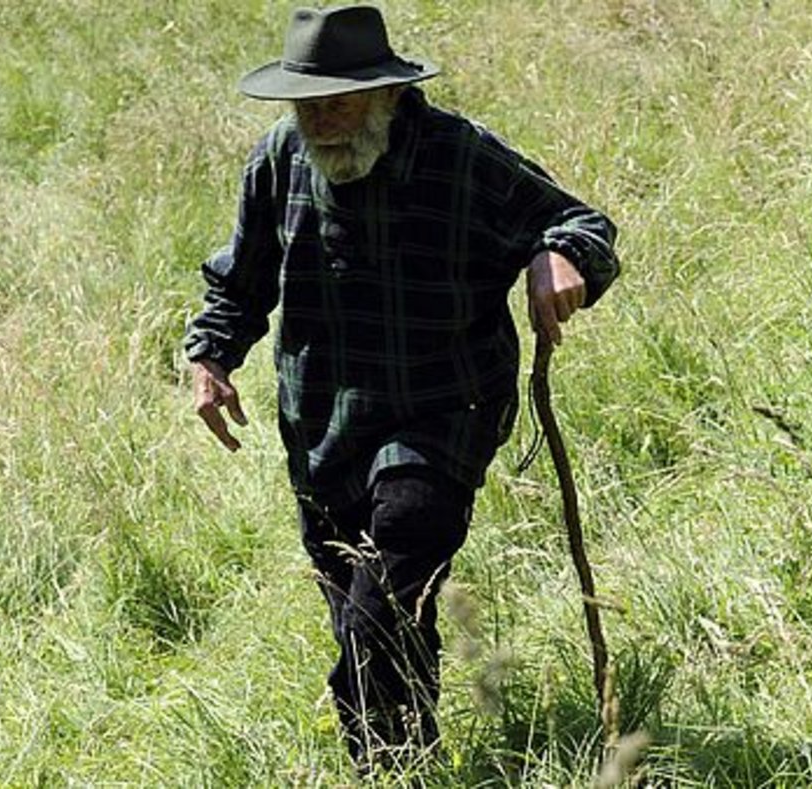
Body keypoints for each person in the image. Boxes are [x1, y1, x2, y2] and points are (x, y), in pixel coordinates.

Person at [183, 4, 619, 769]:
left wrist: (559, 257)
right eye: (306, 104)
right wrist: (211, 355)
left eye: (339, 102)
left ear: (387, 93)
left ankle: (381, 767)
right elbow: (241, 281)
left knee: (378, 608)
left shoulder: (460, 156)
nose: (321, 121)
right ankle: (407, 762)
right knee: (370, 610)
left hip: (443, 410)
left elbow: (579, 223)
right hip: (321, 425)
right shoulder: (280, 160)